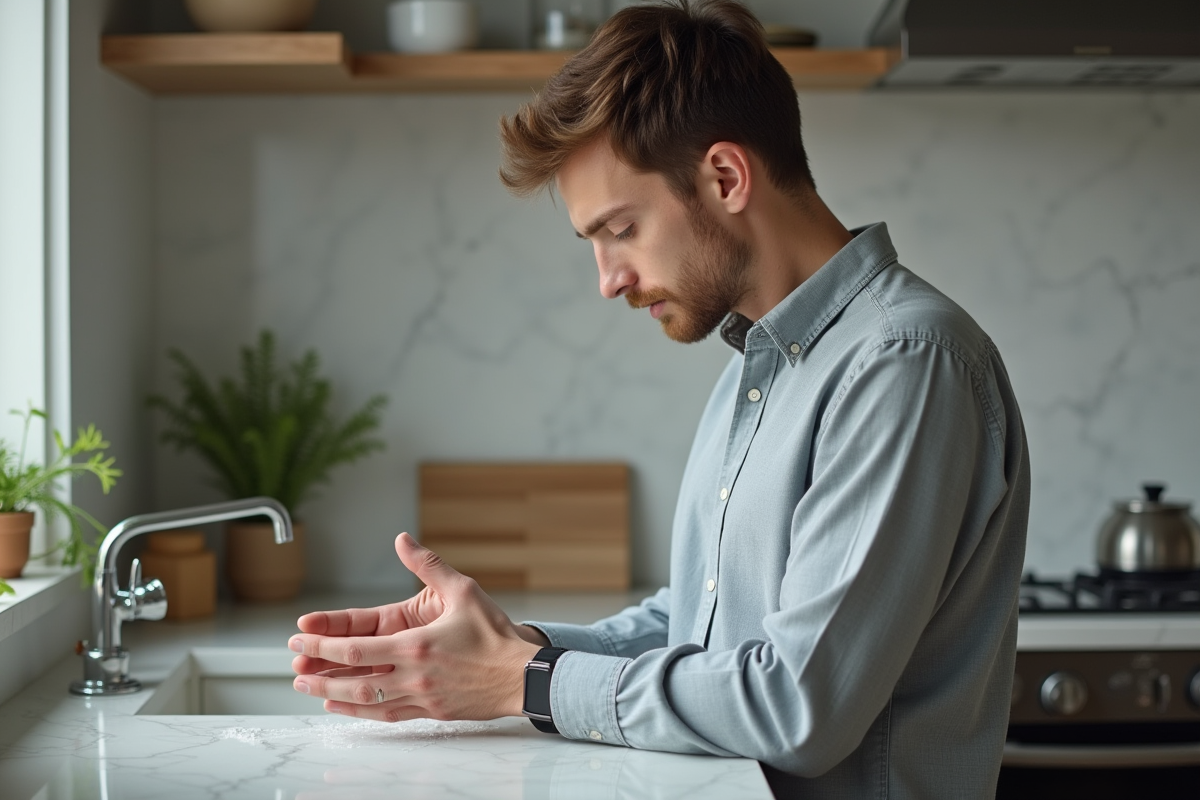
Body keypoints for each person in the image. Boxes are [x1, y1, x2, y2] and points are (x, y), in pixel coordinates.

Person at [287, 2, 1030, 797]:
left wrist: (527, 682)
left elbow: (797, 708)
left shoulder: (904, 364)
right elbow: (700, 625)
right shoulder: (765, 363)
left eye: (621, 229)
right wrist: (502, 648)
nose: (608, 280)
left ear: (725, 177)